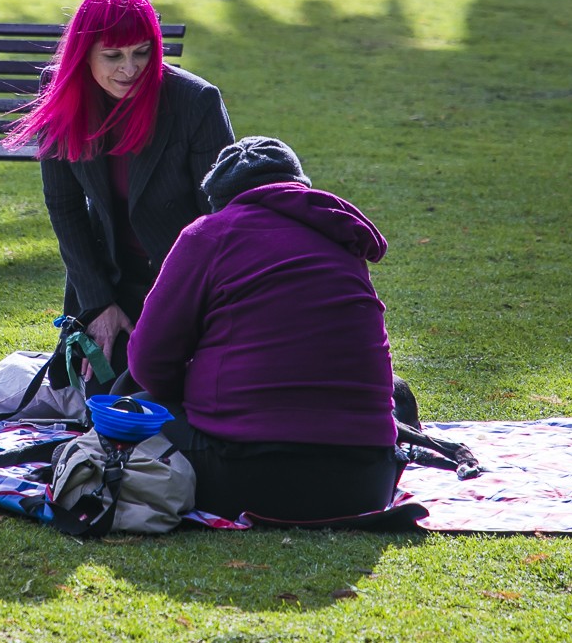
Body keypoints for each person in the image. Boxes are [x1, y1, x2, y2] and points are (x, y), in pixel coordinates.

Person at [126, 136, 402, 522]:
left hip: (248, 479)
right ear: (298, 187)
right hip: (369, 483)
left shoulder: (209, 235)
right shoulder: (339, 237)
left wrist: (193, 386)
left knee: (132, 403)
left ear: (220, 198)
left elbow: (149, 361)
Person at [5, 0, 236, 377]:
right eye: (112, 55)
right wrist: (97, 303)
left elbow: (224, 219)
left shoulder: (195, 101)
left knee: (160, 391)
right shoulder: (59, 90)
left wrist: (194, 312)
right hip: (108, 275)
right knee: (96, 391)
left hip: (185, 279)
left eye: (142, 52)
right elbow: (65, 206)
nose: (130, 69)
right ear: (84, 55)